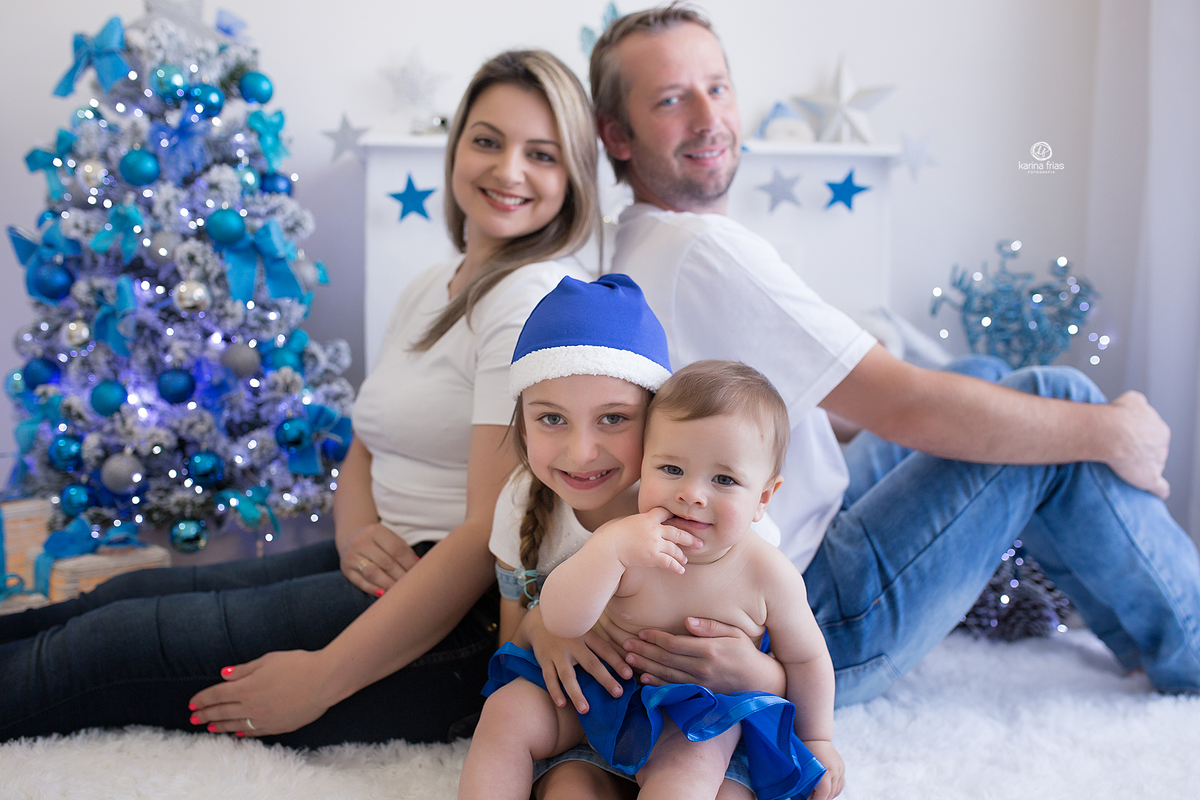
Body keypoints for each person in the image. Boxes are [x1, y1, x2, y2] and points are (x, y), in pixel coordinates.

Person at [582, 1, 1200, 713]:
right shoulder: (704, 251)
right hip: (808, 616)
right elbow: (905, 405)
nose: (707, 115)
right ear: (617, 137)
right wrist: (1111, 432)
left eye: (717, 87)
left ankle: (1137, 627)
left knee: (987, 385)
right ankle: (1187, 647)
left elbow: (819, 411)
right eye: (669, 99)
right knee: (1060, 401)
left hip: (778, 530)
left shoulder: (637, 240)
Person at [0, 49, 600, 746]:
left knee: (98, 649)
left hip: (452, 619)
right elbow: (364, 445)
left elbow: (484, 538)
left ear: (575, 178)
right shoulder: (432, 285)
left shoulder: (529, 302)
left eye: (543, 155)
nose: (508, 171)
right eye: (487, 141)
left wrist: (323, 678)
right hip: (390, 562)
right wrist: (353, 534)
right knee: (118, 596)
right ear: (457, 145)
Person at [457, 275, 841, 800]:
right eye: (673, 469)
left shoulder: (767, 569)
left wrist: (818, 737)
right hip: (600, 695)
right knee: (507, 713)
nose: (692, 496)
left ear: (764, 498)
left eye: (723, 480)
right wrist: (608, 552)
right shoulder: (634, 536)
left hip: (698, 712)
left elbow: (807, 660)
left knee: (689, 772)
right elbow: (560, 619)